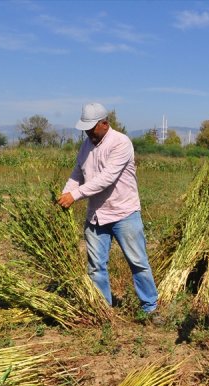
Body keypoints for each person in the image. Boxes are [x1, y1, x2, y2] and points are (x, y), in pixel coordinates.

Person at [57, 102, 160, 320]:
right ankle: (103, 310)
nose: (87, 132)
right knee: (96, 267)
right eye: (85, 128)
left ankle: (149, 308)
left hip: (124, 213)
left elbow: (106, 178)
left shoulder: (120, 143)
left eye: (91, 127)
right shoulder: (86, 145)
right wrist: (65, 193)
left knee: (138, 262)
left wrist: (74, 196)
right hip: (96, 216)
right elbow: (78, 173)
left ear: (104, 123)